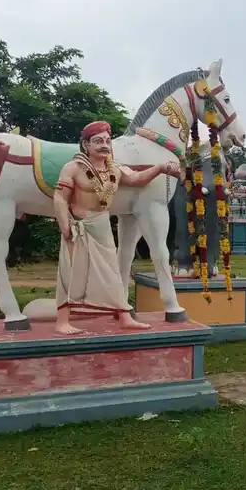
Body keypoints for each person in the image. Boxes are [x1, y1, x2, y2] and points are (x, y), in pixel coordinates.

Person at [53, 121, 180, 335]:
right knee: (70, 271)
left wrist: (159, 168)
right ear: (86, 145)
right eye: (97, 141)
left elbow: (136, 179)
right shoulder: (73, 167)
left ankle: (124, 316)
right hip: (79, 225)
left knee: (113, 272)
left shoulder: (115, 169)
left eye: (107, 141)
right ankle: (62, 321)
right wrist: (64, 224)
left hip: (101, 223)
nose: (104, 145)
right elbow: (59, 196)